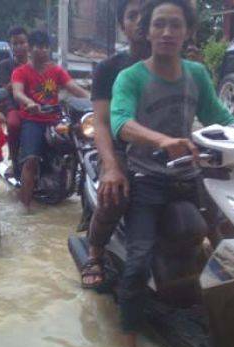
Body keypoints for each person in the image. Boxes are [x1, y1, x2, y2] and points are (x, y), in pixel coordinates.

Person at [109, 0, 234, 347]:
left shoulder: (196, 74)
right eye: (159, 24)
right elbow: (120, 122)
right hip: (147, 179)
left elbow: (219, 116)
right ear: (146, 31)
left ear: (188, 31)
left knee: (230, 243)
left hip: (190, 174)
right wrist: (162, 140)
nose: (167, 32)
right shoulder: (131, 77)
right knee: (138, 261)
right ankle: (129, 342)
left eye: (175, 25)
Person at [80, 0, 150, 289]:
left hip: (163, 151)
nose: (141, 22)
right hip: (119, 149)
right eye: (133, 16)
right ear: (123, 25)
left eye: (147, 15)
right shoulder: (110, 69)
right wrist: (110, 167)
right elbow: (102, 123)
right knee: (115, 192)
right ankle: (95, 251)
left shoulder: (179, 65)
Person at [11, 30, 90, 213]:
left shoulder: (56, 70)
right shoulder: (20, 72)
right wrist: (29, 103)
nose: (43, 51)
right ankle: (25, 206)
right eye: (39, 47)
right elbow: (17, 92)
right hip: (32, 120)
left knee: (80, 145)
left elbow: (74, 89)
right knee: (31, 160)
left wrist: (95, 101)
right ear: (30, 49)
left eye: (46, 47)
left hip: (55, 120)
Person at [0, 26, 29, 175]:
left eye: (22, 43)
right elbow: (4, 89)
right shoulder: (5, 65)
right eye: (15, 44)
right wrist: (20, 75)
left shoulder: (39, 64)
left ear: (29, 44)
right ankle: (15, 161)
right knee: (14, 124)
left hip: (37, 104)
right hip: (13, 105)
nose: (19, 47)